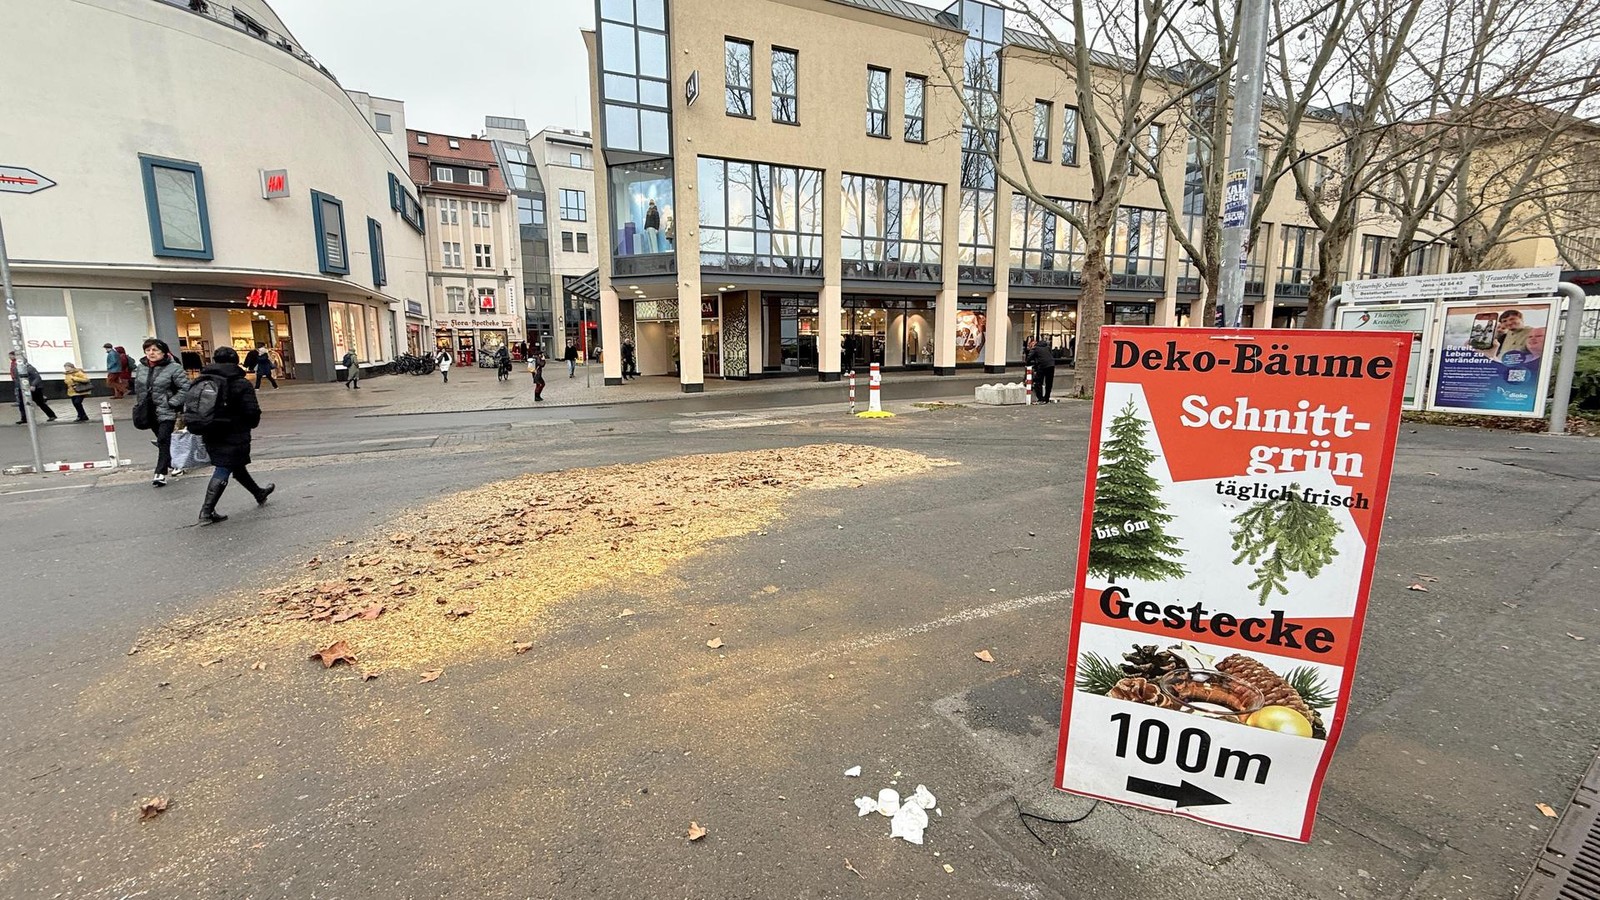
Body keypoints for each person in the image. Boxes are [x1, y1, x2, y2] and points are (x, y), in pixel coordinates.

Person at [195, 346, 274, 525]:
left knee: (235, 465)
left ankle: (259, 493)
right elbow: (251, 410)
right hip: (234, 431)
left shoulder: (203, 380)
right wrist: (250, 423)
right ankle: (206, 511)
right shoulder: (240, 382)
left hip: (209, 430)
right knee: (224, 467)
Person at [132, 338, 189, 486]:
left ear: (163, 352)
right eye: (148, 350)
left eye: (155, 350)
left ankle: (160, 473)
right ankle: (175, 463)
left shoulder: (174, 367)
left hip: (166, 410)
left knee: (163, 439)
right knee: (163, 441)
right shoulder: (141, 367)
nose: (151, 353)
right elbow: (139, 388)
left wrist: (172, 403)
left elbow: (185, 388)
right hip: (148, 410)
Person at [9, 351, 56, 424]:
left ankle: (51, 415)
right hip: (23, 388)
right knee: (21, 404)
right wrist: (18, 387)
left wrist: (33, 385)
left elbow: (37, 377)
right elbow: (17, 378)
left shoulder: (30, 368)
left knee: (40, 402)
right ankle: (24, 418)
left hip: (34, 388)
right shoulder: (16, 368)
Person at [1026, 337, 1056, 404]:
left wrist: (1028, 364)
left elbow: (1029, 358)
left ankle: (1041, 398)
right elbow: (1051, 355)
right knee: (1049, 383)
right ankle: (1047, 398)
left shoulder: (1035, 349)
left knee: (1038, 382)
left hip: (1042, 365)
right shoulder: (1047, 347)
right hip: (1051, 365)